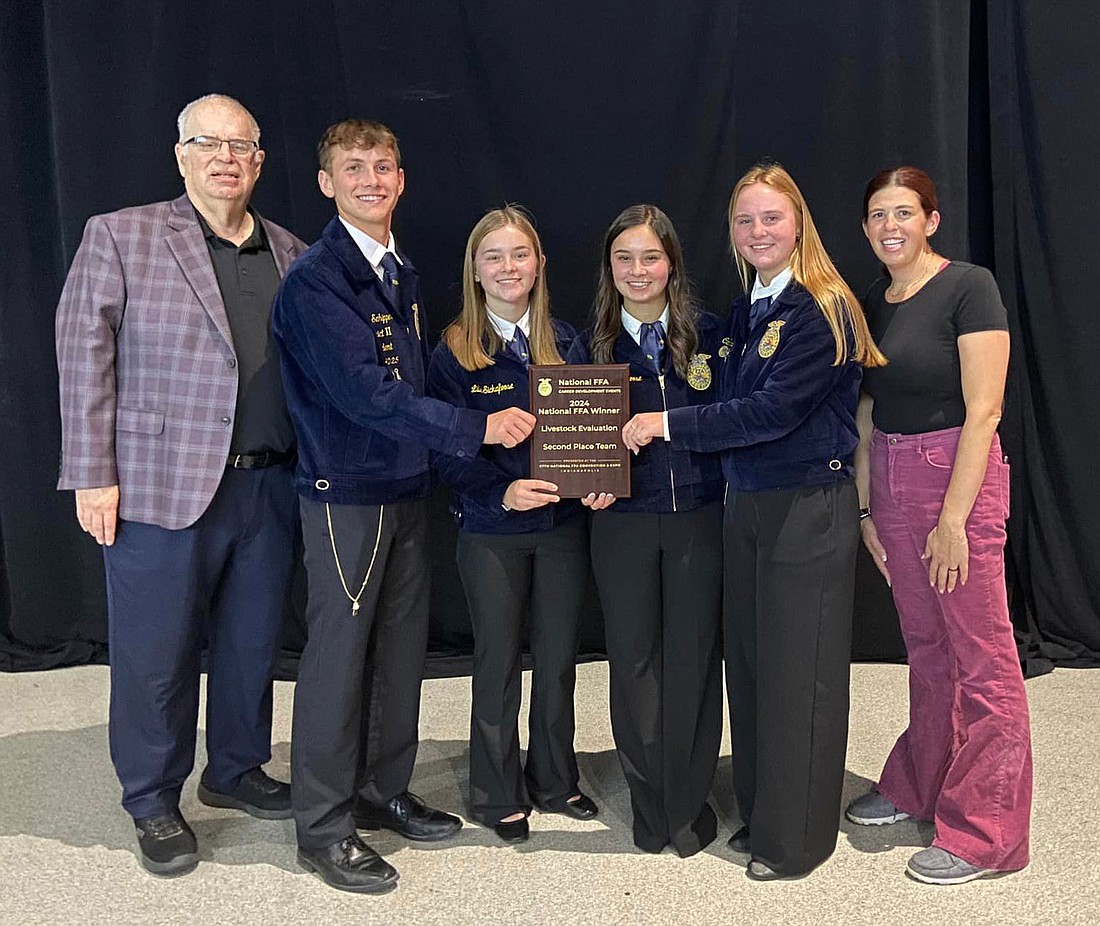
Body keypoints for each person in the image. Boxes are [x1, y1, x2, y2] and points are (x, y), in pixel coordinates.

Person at [272, 120, 536, 894]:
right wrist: (474, 427)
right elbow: (366, 395)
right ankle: (322, 825)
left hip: (404, 487)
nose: (370, 180)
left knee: (398, 651)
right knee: (336, 659)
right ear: (326, 182)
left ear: (401, 178)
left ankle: (382, 789)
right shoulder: (319, 281)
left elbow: (414, 382)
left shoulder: (397, 271)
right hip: (346, 495)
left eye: (383, 166)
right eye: (352, 168)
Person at [55, 94, 306, 876]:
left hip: (270, 486)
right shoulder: (121, 234)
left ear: (260, 162)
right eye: (208, 143)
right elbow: (81, 352)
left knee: (251, 643)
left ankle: (234, 770)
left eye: (242, 146)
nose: (226, 156)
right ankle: (153, 799)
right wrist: (91, 474)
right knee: (155, 654)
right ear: (181, 155)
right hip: (158, 487)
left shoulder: (293, 251)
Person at [624, 163, 886, 879]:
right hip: (748, 509)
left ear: (798, 222)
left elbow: (769, 414)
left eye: (771, 217)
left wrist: (664, 423)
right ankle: (764, 811)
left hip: (807, 509)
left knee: (800, 677)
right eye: (745, 220)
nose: (758, 231)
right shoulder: (749, 313)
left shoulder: (820, 307)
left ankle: (794, 842)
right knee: (754, 666)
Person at [844, 167, 1032, 885]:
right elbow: (865, 414)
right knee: (926, 647)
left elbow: (984, 409)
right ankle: (922, 781)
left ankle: (987, 832)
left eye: (903, 212)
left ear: (931, 219)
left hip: (957, 475)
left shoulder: (968, 287)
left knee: (982, 655)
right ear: (865, 228)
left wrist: (955, 518)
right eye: (876, 215)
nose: (889, 226)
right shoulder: (873, 303)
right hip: (890, 479)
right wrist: (866, 508)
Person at [426, 206, 597, 844]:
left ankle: (554, 779)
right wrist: (502, 492)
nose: (508, 268)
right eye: (493, 256)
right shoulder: (451, 352)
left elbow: (590, 439)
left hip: (561, 529)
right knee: (497, 660)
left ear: (540, 263)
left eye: (519, 255)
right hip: (490, 530)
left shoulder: (568, 341)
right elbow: (442, 448)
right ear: (474, 269)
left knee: (557, 658)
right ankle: (496, 790)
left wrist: (597, 482)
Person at [567, 204, 724, 857]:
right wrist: (586, 478)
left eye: (650, 257)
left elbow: (733, 422)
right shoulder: (590, 347)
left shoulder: (710, 337)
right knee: (633, 662)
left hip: (697, 517)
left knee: (691, 660)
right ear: (610, 268)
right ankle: (648, 802)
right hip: (624, 526)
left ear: (672, 265)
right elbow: (573, 447)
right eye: (624, 258)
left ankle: (687, 803)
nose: (638, 270)